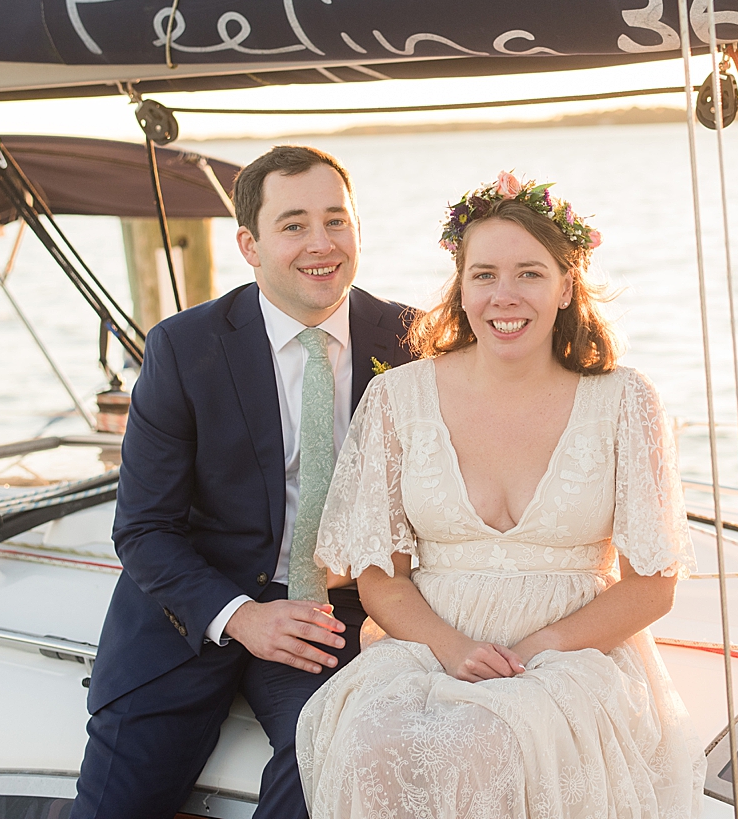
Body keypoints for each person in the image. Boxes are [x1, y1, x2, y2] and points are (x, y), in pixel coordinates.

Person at [297, 172, 704, 818]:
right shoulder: (397, 399)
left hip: (574, 653)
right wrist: (454, 651)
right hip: (433, 647)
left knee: (490, 744)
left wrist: (541, 648)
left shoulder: (625, 401)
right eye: (483, 274)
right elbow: (382, 579)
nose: (503, 296)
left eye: (529, 274)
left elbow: (652, 584)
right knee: (366, 742)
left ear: (567, 286)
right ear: (460, 285)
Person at [74, 145, 420, 819]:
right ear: (249, 244)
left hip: (329, 610)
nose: (321, 244)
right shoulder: (183, 347)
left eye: (336, 220)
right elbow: (143, 528)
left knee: (327, 750)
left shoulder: (411, 341)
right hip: (189, 615)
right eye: (293, 224)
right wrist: (241, 616)